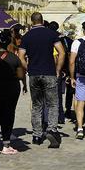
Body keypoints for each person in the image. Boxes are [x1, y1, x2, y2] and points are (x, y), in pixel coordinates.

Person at [17, 13, 64, 148]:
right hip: (49, 72)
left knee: (37, 105)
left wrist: (28, 68)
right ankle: (52, 129)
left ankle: (37, 135)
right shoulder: (51, 34)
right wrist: (58, 69)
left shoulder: (27, 36)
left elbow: (21, 56)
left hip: (34, 74)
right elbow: (61, 52)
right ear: (42, 21)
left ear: (32, 22)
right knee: (52, 104)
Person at [0, 31, 23, 155]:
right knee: (8, 115)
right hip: (10, 89)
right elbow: (20, 75)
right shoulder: (14, 57)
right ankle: (6, 144)